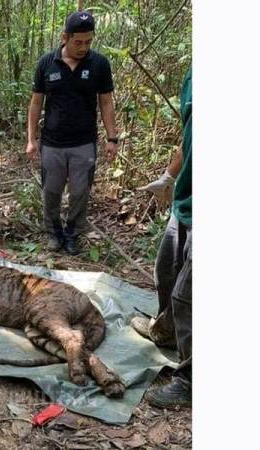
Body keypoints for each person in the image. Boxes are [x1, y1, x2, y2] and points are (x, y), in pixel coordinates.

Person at [26, 11, 119, 255]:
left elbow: (106, 102)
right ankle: (53, 233)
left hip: (84, 142)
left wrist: (112, 137)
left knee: (80, 192)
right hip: (52, 142)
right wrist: (31, 139)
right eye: (78, 42)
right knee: (51, 191)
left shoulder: (99, 64)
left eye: (88, 42)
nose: (83, 47)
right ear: (64, 37)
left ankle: (72, 234)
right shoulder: (47, 63)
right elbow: (36, 102)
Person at [131, 68, 192, 408]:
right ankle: (166, 332)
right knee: (166, 270)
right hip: (185, 202)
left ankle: (189, 380)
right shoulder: (192, 76)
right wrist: (169, 177)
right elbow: (189, 136)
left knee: (190, 296)